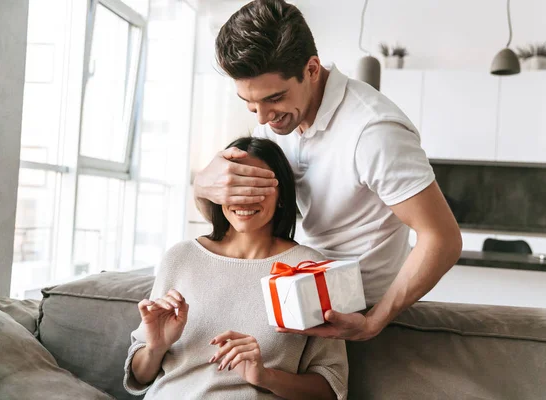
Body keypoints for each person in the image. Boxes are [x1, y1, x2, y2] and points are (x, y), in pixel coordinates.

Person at [194, 0, 463, 341]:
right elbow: (233, 215)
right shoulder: (276, 122)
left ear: (312, 68)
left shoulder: (373, 131)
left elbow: (443, 238)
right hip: (295, 293)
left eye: (273, 98)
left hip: (355, 313)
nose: (261, 118)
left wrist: (374, 322)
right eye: (249, 102)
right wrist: (203, 186)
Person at [123, 137, 348, 399]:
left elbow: (331, 388)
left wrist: (265, 376)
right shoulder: (180, 257)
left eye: (257, 186)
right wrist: (155, 347)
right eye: (236, 186)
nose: (244, 197)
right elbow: (140, 376)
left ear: (282, 196)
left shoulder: (309, 268)